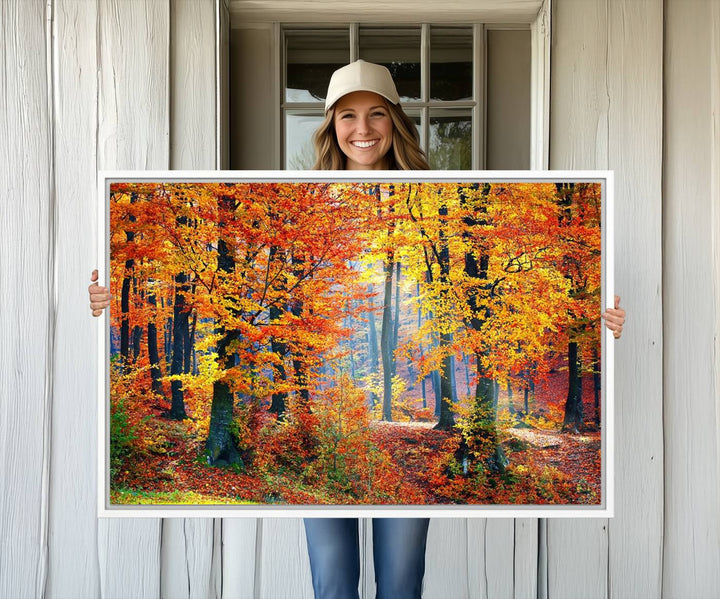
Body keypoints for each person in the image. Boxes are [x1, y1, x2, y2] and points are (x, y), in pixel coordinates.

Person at [88, 60, 626, 599]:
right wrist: (109, 301)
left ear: (395, 121)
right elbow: (239, 294)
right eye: (348, 115)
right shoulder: (299, 202)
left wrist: (597, 316)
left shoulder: (446, 197)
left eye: (376, 115)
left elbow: (527, 285)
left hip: (370, 446)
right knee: (333, 584)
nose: (362, 129)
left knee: (400, 584)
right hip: (322, 420)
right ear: (330, 126)